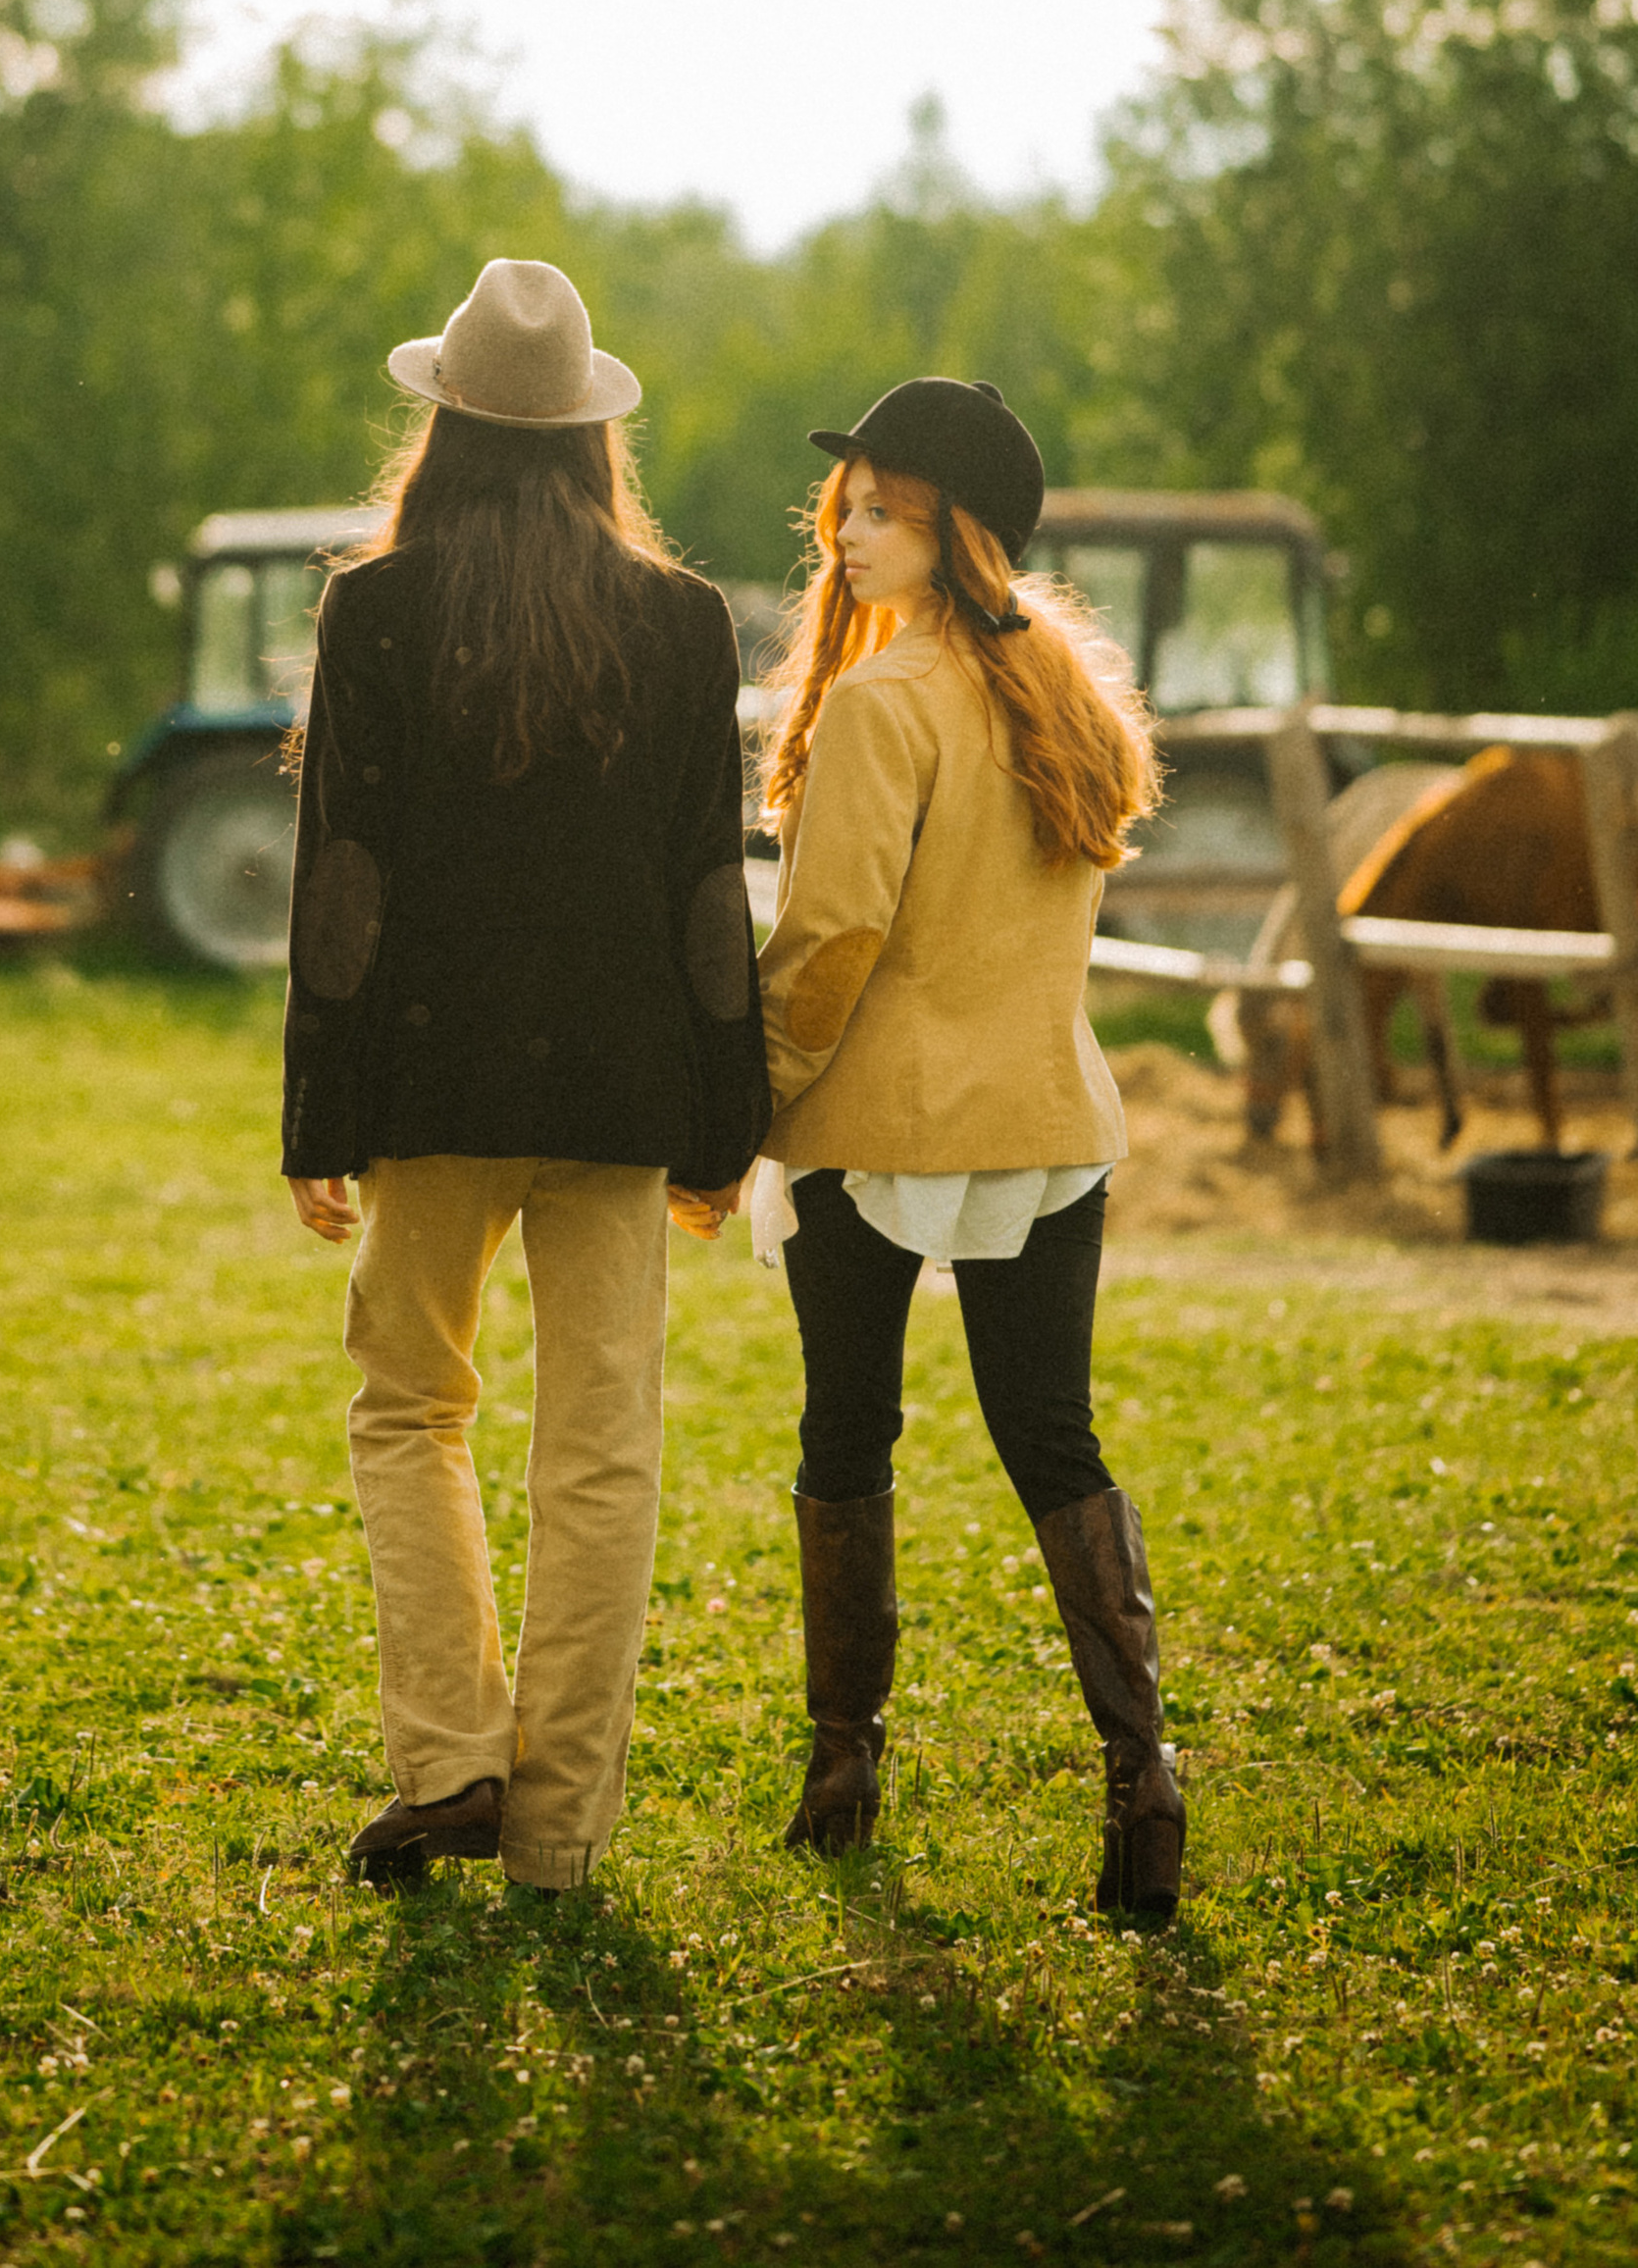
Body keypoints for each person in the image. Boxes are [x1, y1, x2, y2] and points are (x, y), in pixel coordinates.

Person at [281, 256, 770, 1892]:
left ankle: (453, 1759)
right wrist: (727, 1122)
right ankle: (556, 1832)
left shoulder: (377, 610)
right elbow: (711, 894)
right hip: (623, 1095)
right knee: (602, 1451)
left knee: (409, 1407)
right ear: (588, 439)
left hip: (428, 1086)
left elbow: (342, 881)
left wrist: (317, 1110)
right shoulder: (685, 622)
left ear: (446, 427)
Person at [750, 377, 1186, 1923]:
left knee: (846, 1431)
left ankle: (843, 1769)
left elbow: (830, 943)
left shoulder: (883, 700)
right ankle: (1144, 1776)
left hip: (880, 1121)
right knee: (1052, 1435)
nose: (849, 536)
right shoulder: (1064, 681)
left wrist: (752, 1102)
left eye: (884, 511)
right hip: (1049, 1118)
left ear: (956, 531)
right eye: (846, 510)